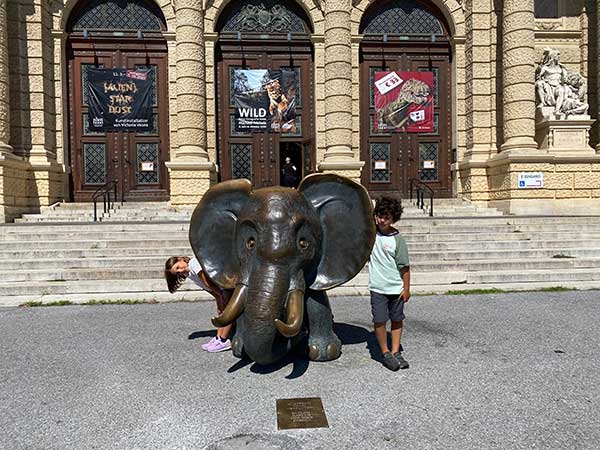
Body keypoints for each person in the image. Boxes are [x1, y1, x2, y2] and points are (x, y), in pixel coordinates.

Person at [368, 196, 411, 371]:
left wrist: (406, 289)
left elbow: (405, 267)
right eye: (379, 215)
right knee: (379, 320)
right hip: (378, 287)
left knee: (397, 319)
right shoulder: (371, 234)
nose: (382, 220)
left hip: (396, 288)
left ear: (393, 219)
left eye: (386, 217)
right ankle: (385, 352)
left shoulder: (398, 240)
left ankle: (396, 352)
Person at [164, 256, 233, 353]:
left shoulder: (193, 264)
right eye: (178, 272)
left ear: (180, 259)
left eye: (178, 267)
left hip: (223, 288)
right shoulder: (190, 273)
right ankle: (218, 337)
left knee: (227, 312)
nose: (180, 271)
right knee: (221, 312)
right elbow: (209, 289)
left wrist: (222, 296)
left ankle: (223, 340)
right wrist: (219, 300)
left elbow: (208, 283)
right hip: (219, 291)